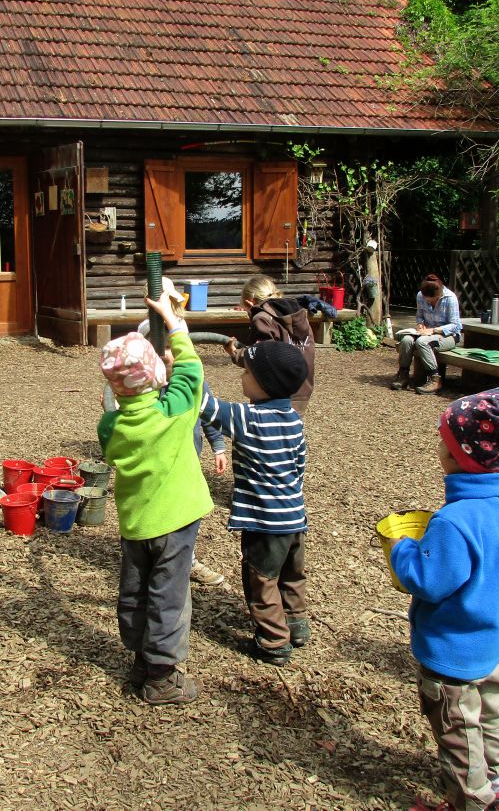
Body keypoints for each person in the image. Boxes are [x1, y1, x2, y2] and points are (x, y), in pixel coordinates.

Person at [386, 385, 499, 811]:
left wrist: (403, 551)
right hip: (493, 644)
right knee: (492, 714)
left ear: (458, 455)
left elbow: (429, 582)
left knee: (458, 732)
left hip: (453, 650)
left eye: (444, 439)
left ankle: (470, 801)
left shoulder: (454, 521)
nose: (439, 445)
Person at [97, 293, 213, 705]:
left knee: (135, 588)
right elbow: (192, 372)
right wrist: (175, 324)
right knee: (169, 593)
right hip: (177, 521)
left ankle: (139, 658)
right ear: (156, 375)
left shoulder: (111, 426)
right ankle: (162, 676)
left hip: (136, 524)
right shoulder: (173, 411)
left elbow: (112, 426)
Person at [199, 340, 311, 666]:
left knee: (261, 581)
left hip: (264, 523)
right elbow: (299, 464)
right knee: (292, 576)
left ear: (263, 383)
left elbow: (206, 406)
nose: (241, 376)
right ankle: (296, 625)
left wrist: (182, 364)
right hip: (294, 519)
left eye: (246, 372)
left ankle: (273, 643)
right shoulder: (292, 419)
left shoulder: (249, 419)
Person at [132, 276, 229, 587]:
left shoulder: (189, 382)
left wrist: (218, 446)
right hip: (156, 458)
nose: (169, 355)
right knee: (156, 506)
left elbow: (208, 409)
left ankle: (187, 559)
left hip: (186, 458)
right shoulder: (147, 382)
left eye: (176, 349)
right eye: (163, 350)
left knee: (185, 510)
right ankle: (155, 559)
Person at [225, 274, 316, 415]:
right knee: (290, 430)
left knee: (269, 431)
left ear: (250, 303)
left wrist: (235, 353)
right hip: (302, 388)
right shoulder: (298, 314)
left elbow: (262, 358)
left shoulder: (262, 318)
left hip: (275, 392)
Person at [392, 273, 462, 395]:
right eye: (426, 298)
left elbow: (456, 325)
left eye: (431, 298)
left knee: (422, 342)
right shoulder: (420, 296)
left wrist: (434, 330)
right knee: (406, 340)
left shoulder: (450, 298)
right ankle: (403, 375)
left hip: (448, 336)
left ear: (439, 293)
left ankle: (435, 379)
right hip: (426, 333)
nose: (428, 301)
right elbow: (419, 316)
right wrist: (420, 325)